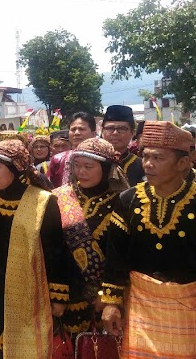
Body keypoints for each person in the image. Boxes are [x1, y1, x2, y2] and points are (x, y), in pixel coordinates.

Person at [101, 121, 196, 357]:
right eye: (145, 156)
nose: (148, 164)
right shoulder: (127, 200)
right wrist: (111, 302)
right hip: (139, 306)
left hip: (188, 309)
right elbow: (115, 256)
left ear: (182, 163)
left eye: (158, 158)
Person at [0, 139, 69, 358]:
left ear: (15, 168)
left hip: (33, 294)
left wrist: (58, 296)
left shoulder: (42, 202)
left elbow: (56, 252)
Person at [52, 138, 129, 334]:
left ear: (107, 169)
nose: (81, 172)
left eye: (88, 166)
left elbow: (123, 255)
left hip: (106, 295)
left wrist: (110, 294)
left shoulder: (122, 202)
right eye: (76, 166)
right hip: (64, 292)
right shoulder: (59, 197)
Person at [48, 112, 96, 188]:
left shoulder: (101, 158)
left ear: (93, 134)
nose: (76, 133)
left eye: (81, 129)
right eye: (73, 129)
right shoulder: (57, 160)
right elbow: (49, 190)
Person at [101, 105, 144, 186]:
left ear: (132, 133)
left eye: (122, 129)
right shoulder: (93, 162)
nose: (115, 133)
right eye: (110, 128)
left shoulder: (142, 166)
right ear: (102, 131)